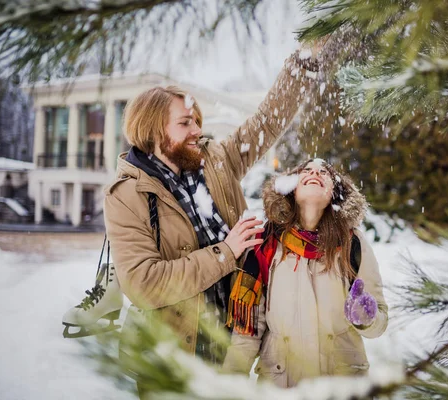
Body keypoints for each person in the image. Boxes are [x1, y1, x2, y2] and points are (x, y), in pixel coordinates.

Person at [103, 45, 321, 371]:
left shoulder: (215, 160)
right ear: (153, 130)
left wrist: (302, 65)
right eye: (185, 123)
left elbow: (266, 122)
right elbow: (144, 284)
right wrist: (226, 253)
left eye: (197, 121)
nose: (197, 130)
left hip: (231, 346)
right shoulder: (127, 195)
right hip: (170, 358)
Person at [223, 159, 389, 388]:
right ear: (291, 188)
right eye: (307, 170)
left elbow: (379, 323)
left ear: (335, 193)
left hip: (341, 389)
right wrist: (228, 386)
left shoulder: (353, 244)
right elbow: (246, 333)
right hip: (281, 388)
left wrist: (367, 319)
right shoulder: (265, 245)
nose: (315, 172)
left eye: (324, 172)